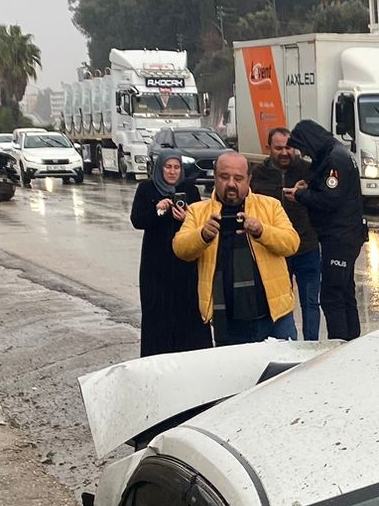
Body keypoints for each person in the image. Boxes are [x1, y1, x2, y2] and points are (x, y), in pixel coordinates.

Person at [172, 151, 299, 345]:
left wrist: (261, 231)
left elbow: (292, 243)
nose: (231, 183)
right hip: (227, 321)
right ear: (215, 177)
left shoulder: (270, 206)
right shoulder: (198, 211)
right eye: (224, 177)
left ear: (249, 179)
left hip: (275, 317)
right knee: (237, 375)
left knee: (285, 374)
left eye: (238, 178)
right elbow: (180, 248)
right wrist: (203, 235)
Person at [287, 119, 366, 341]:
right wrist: (309, 187)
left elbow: (331, 199)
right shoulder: (338, 155)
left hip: (339, 237)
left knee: (332, 295)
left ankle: (339, 343)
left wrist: (301, 196)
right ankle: (352, 340)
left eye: (303, 148)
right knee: (344, 291)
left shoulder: (335, 159)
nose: (304, 154)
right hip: (344, 235)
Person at [130, 152, 209, 355]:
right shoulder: (147, 189)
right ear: (159, 168)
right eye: (168, 167)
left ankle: (190, 359)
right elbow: (138, 220)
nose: (173, 172)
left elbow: (199, 222)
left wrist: (186, 217)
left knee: (188, 311)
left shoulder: (189, 190)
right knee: (157, 313)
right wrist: (158, 211)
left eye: (176, 167)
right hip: (156, 265)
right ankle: (156, 359)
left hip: (185, 264)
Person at [251, 126, 321, 340]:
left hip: (306, 246)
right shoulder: (257, 174)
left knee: (310, 302)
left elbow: (325, 203)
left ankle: (311, 347)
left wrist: (307, 194)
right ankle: (283, 345)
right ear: (268, 148)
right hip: (274, 250)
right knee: (278, 302)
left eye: (289, 147)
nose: (284, 152)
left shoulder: (310, 171)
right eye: (279, 147)